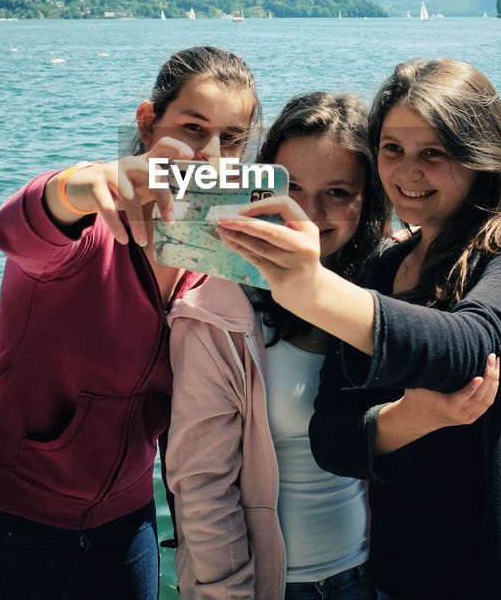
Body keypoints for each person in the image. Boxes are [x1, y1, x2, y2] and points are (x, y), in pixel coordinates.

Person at [214, 59, 501, 599]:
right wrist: (407, 419)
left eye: (432, 154)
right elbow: (332, 437)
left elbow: (472, 345)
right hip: (416, 565)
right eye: (392, 150)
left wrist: (308, 287)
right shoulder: (382, 272)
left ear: (480, 154)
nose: (407, 174)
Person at [0, 46, 261, 599]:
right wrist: (73, 185)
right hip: (9, 514)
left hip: (127, 517)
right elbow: (14, 230)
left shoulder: (214, 255)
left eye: (232, 138)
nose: (211, 156)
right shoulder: (88, 228)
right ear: (146, 122)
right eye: (192, 128)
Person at [164, 92, 393, 599]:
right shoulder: (217, 310)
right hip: (270, 587)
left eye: (338, 191)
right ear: (258, 186)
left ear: (369, 196)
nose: (307, 214)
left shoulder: (384, 292)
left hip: (374, 578)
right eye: (289, 187)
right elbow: (201, 484)